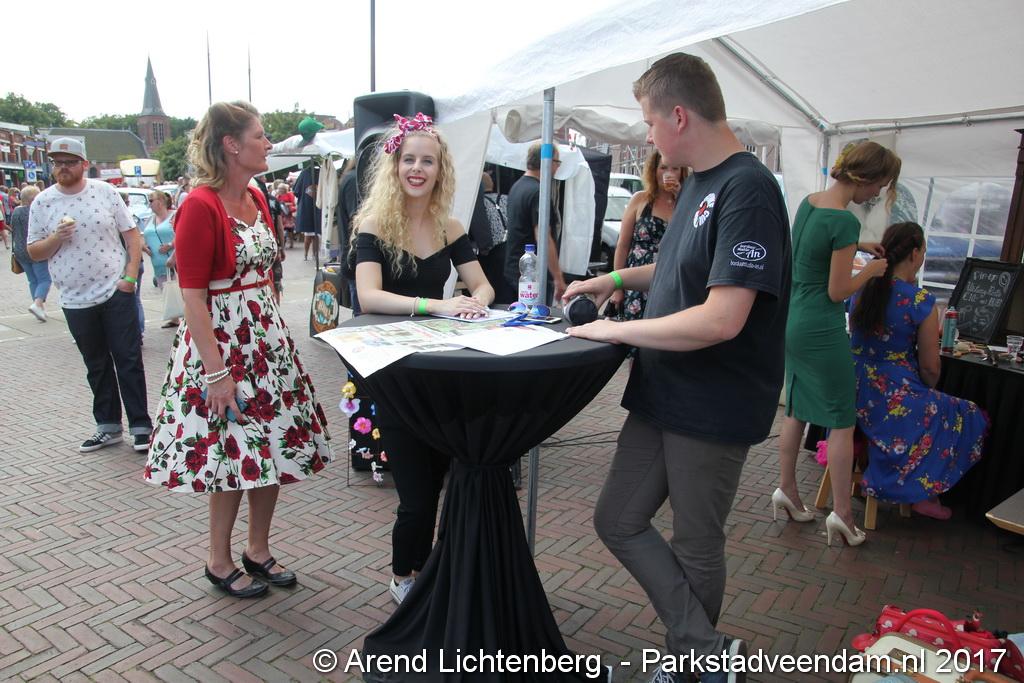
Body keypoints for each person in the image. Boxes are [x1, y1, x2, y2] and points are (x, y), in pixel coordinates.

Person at [563, 53, 791, 683]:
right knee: (617, 518)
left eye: (649, 121)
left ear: (680, 116)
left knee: (696, 541)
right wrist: (610, 280)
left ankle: (689, 664)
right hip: (664, 391)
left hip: (713, 401)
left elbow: (722, 318)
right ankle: (705, 649)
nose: (647, 135)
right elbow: (675, 266)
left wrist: (615, 329)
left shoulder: (748, 190)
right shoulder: (698, 181)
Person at [144, 101, 333, 598]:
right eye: (259, 136)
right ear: (231, 144)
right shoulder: (200, 204)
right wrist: (216, 373)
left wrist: (274, 334)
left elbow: (266, 273)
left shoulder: (256, 196)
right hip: (222, 345)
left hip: (264, 343)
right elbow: (192, 296)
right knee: (231, 453)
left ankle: (258, 550)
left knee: (271, 444)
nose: (268, 144)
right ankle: (218, 559)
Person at [352, 112, 494, 605]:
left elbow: (483, 284)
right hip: (396, 372)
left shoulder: (449, 225)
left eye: (427, 161)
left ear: (440, 169)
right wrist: (438, 305)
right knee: (415, 496)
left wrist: (476, 300)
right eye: (409, 159)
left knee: (439, 484)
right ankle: (403, 577)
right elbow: (368, 297)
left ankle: (432, 571)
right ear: (394, 166)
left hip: (440, 370)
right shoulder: (373, 224)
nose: (417, 168)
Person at [773, 140, 900, 547]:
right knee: (842, 420)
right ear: (864, 177)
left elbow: (811, 250)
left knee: (795, 408)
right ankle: (843, 514)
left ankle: (787, 490)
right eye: (878, 185)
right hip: (821, 327)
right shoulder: (844, 221)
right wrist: (871, 271)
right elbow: (837, 290)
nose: (876, 193)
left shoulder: (810, 203)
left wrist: (857, 247)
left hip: (793, 318)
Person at [849, 222, 986, 520]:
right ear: (914, 253)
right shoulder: (920, 301)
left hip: (851, 390)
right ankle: (923, 493)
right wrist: (927, 389)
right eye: (923, 250)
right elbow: (930, 366)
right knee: (964, 413)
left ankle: (905, 485)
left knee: (934, 409)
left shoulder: (861, 287)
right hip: (891, 398)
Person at [27, 137, 152, 453]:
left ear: (84, 164)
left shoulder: (105, 192)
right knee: (96, 363)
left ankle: (141, 426)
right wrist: (56, 237)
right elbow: (34, 251)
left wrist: (130, 277)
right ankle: (108, 426)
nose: (62, 168)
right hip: (74, 298)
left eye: (69, 162)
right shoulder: (43, 202)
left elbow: (132, 235)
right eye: (57, 163)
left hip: (115, 291)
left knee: (127, 358)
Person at [610, 149, 685, 320]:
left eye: (675, 169)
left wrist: (681, 196)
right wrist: (617, 287)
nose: (669, 173)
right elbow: (622, 245)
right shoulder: (640, 199)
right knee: (632, 328)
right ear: (654, 171)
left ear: (682, 172)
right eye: (663, 168)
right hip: (636, 279)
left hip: (670, 278)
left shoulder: (686, 201)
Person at [503, 141, 566, 303]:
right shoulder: (539, 193)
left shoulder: (517, 187)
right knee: (535, 316)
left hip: (515, 268)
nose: (557, 167)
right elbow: (544, 237)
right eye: (557, 162)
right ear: (547, 162)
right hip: (532, 275)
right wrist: (558, 277)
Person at [10, 185, 52, 321]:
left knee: (33, 280)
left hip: (20, 250)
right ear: (33, 199)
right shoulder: (35, 211)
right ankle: (38, 303)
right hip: (35, 248)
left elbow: (14, 231)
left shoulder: (16, 211)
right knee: (45, 279)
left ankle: (39, 310)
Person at [140, 190, 180, 328]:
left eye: (151, 200)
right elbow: (143, 236)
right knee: (167, 289)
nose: (149, 203)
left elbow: (182, 234)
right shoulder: (150, 219)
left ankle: (187, 317)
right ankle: (174, 317)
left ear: (161, 202)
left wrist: (170, 245)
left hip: (175, 260)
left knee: (180, 289)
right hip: (158, 262)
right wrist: (144, 246)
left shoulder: (174, 216)